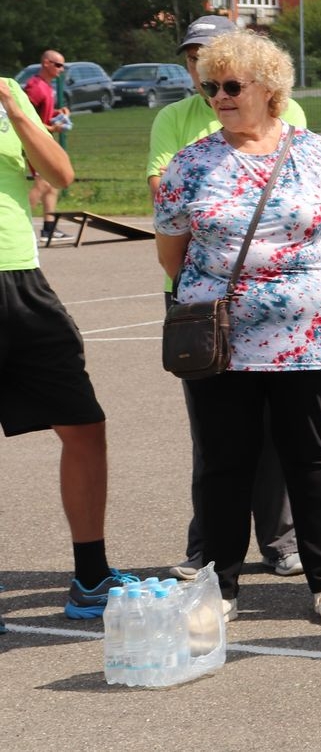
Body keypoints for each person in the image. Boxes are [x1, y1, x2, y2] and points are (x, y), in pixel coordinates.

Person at [153, 31, 321, 624]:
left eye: (230, 86)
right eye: (209, 86)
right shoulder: (191, 164)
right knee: (225, 460)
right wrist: (233, 292)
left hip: (310, 335)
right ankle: (220, 587)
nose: (217, 95)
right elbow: (172, 254)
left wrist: (302, 292)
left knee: (310, 455)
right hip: (220, 338)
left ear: (269, 90)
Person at [147, 15, 309, 583]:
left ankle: (281, 541)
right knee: (215, 437)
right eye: (196, 61)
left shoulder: (282, 113)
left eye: (218, 67)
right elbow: (164, 200)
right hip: (200, 300)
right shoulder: (174, 118)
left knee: (276, 432)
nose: (208, 79)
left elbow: (304, 203)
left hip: (278, 302)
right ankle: (208, 548)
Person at [0, 71, 137, 618]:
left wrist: (13, 107)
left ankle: (90, 577)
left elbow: (61, 172)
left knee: (83, 423)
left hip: (22, 281)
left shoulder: (10, 90)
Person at [23, 50, 72, 244]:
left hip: (44, 140)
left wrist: (59, 113)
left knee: (52, 184)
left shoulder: (46, 86)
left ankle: (49, 229)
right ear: (46, 63)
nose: (61, 70)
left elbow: (44, 114)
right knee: (43, 183)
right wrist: (52, 127)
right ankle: (18, 222)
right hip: (35, 142)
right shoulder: (34, 87)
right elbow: (24, 117)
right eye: (58, 65)